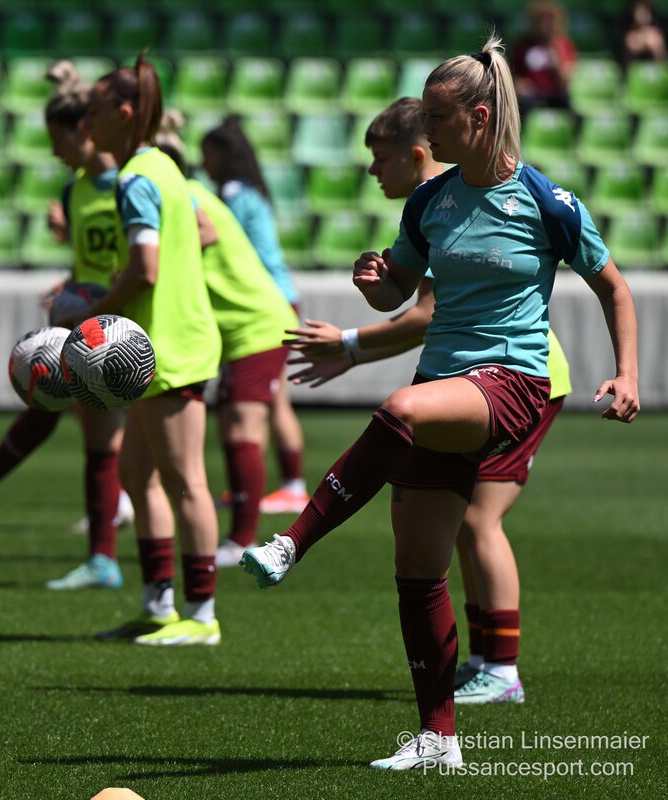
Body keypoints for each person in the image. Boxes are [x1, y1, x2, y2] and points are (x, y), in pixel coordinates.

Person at [240, 36, 639, 769]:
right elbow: (402, 291)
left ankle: (292, 542)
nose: (426, 128)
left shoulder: (547, 202)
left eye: (436, 116)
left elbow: (613, 286)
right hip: (445, 380)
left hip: (512, 382)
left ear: (479, 118)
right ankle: (437, 739)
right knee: (419, 572)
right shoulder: (431, 199)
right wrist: (376, 285)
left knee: (401, 410)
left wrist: (628, 375)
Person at [286, 96, 573, 705]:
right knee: (454, 523)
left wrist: (350, 345)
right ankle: (483, 660)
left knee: (478, 519)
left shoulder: (454, 197)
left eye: (380, 157)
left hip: (516, 380)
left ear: (417, 154)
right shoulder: (437, 201)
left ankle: (502, 668)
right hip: (479, 379)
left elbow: (427, 315)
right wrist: (355, 344)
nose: (372, 170)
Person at [0, 60, 130, 591]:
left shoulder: (131, 182)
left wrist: (99, 296)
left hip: (124, 322)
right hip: (86, 317)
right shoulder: (77, 189)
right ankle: (103, 557)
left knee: (106, 436)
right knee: (57, 396)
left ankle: (124, 560)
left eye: (58, 140)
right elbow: (91, 258)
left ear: (85, 131)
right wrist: (71, 285)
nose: (54, 152)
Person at [68, 55, 223, 646]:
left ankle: (202, 616)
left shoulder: (137, 177)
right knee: (136, 473)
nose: (87, 123)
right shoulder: (160, 166)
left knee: (186, 482)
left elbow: (145, 269)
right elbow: (201, 233)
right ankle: (159, 605)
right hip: (164, 341)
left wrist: (89, 313)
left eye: (94, 111)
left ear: (126, 113)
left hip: (169, 345)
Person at [154, 115, 300, 571]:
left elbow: (206, 233)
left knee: (242, 428)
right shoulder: (197, 192)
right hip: (250, 323)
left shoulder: (183, 195)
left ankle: (241, 538)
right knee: (238, 427)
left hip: (254, 324)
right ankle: (249, 524)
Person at [200, 117, 309, 515]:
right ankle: (274, 485)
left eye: (208, 155)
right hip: (281, 297)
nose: (204, 164)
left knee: (261, 403)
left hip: (264, 300)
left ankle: (280, 487)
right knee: (273, 400)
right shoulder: (252, 191)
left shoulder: (232, 195)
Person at [510, 1, 576, 115]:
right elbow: (512, 75)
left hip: (554, 93)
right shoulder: (522, 45)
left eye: (550, 20)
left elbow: (565, 80)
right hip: (531, 94)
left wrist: (554, 50)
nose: (546, 25)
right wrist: (519, 84)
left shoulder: (563, 44)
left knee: (568, 103)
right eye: (541, 20)